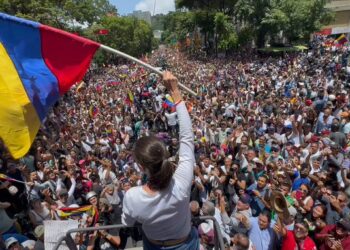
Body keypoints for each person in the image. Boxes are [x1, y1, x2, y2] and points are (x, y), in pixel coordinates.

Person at [121, 71, 198, 249]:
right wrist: (175, 92)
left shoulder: (132, 196)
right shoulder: (181, 183)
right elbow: (187, 138)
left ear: (141, 167)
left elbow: (127, 223)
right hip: (186, 244)